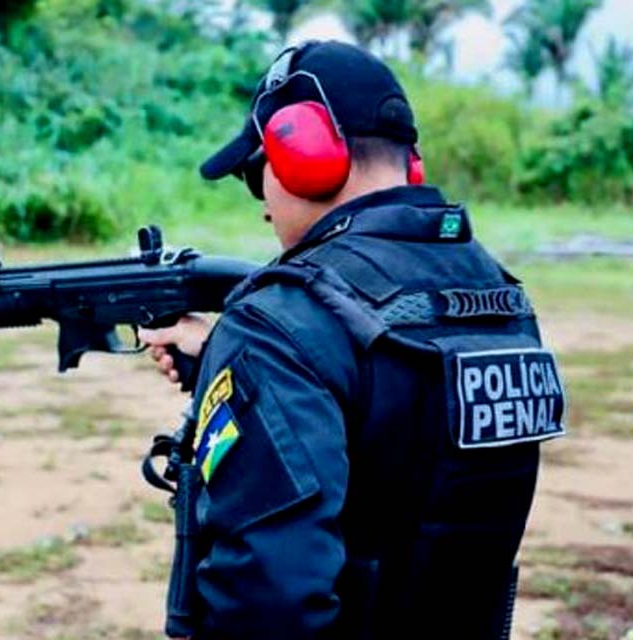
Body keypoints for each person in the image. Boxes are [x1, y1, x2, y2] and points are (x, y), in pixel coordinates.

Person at [140, 40, 566, 640]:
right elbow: (403, 436)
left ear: (301, 152)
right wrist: (224, 356)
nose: (264, 207)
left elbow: (270, 606)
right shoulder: (497, 295)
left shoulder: (275, 327)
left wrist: (252, 351)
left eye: (255, 174)